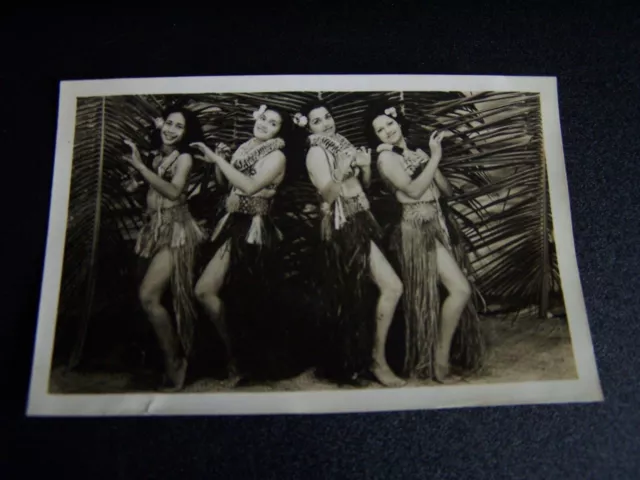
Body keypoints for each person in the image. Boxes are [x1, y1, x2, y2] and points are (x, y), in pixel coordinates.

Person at [364, 102, 484, 383]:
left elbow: (446, 190)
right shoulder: (386, 160)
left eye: (389, 124)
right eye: (380, 130)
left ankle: (439, 361)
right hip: (416, 231)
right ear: (376, 137)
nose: (387, 131)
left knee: (454, 290)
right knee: (459, 289)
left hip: (437, 225)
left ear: (399, 122)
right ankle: (438, 364)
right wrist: (434, 157)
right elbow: (414, 190)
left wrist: (428, 160)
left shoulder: (414, 152)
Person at [294, 102, 406, 388]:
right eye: (317, 121)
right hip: (344, 228)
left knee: (364, 294)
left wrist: (365, 168)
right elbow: (328, 197)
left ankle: (367, 359)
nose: (326, 123)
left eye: (328, 116)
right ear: (309, 127)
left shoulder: (339, 145)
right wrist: (341, 171)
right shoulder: (317, 151)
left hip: (361, 221)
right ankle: (376, 362)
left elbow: (359, 187)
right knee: (390, 287)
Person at [190, 104, 303, 385]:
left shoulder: (276, 156)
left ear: (280, 131)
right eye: (263, 117)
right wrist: (223, 161)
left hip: (253, 229)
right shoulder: (244, 147)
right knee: (212, 293)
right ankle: (233, 359)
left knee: (238, 296)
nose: (264, 124)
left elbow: (250, 187)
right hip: (230, 223)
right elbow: (226, 184)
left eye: (273, 122)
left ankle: (241, 362)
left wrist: (218, 159)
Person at [123, 106, 206, 391]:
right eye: (168, 123)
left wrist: (141, 169)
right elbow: (151, 188)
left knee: (148, 296)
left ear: (186, 133)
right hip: (153, 231)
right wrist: (135, 183)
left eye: (178, 127)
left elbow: (173, 191)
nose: (171, 130)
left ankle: (176, 362)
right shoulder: (157, 155)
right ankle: (166, 360)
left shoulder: (183, 158)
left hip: (176, 231)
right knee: (149, 299)